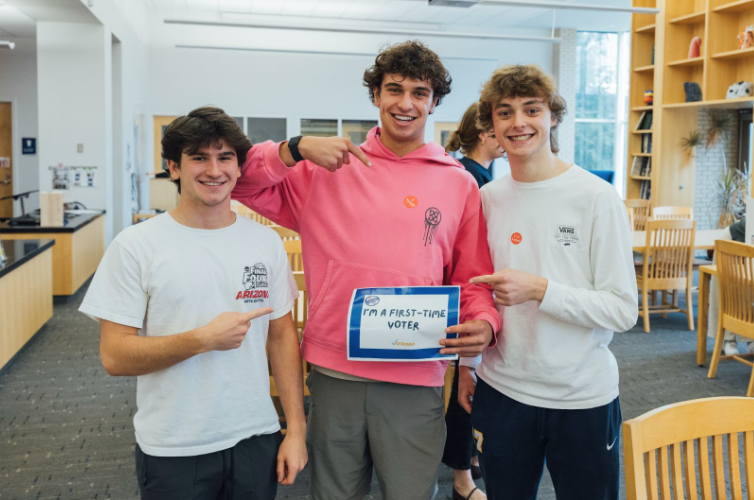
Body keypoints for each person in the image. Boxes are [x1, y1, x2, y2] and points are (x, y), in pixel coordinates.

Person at [233, 40, 501, 500]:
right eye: (393, 89)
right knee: (335, 494)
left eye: (420, 92)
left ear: (434, 103)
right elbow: (237, 180)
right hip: (336, 371)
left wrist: (485, 324)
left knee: (411, 493)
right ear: (375, 95)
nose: (405, 103)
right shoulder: (326, 168)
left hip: (416, 372)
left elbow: (471, 278)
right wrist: (293, 148)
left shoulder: (458, 183)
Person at [79, 107, 307, 499]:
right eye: (198, 157)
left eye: (224, 158)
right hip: (174, 445)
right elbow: (115, 356)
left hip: (256, 435)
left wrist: (297, 432)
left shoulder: (265, 242)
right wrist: (201, 339)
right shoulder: (136, 246)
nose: (213, 170)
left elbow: (282, 337)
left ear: (239, 168)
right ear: (174, 167)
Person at [461, 64, 638, 500]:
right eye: (505, 113)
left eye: (532, 109)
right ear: (492, 125)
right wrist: (467, 366)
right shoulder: (485, 199)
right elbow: (475, 287)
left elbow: (622, 309)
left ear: (552, 117)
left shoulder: (596, 197)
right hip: (503, 391)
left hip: (581, 398)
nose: (519, 123)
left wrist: (541, 290)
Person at [442, 102, 505, 500]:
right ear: (485, 133)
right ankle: (461, 476)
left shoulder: (481, 175)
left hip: (478, 295)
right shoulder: (470, 179)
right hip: (469, 294)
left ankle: (468, 464)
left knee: (466, 387)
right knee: (464, 389)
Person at [708, 216, 754, 355]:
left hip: (749, 242)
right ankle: (729, 339)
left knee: (749, 290)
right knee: (728, 291)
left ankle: (750, 338)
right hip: (731, 239)